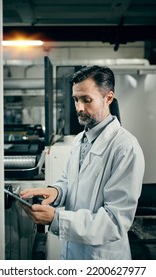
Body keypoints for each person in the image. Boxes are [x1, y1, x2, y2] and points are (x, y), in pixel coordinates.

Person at [20, 65, 145, 260]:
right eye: (76, 100)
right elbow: (69, 181)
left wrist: (56, 219)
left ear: (108, 97)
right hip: (73, 254)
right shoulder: (80, 139)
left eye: (87, 100)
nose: (79, 108)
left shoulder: (125, 147)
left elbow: (114, 222)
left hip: (102, 259)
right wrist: (56, 191)